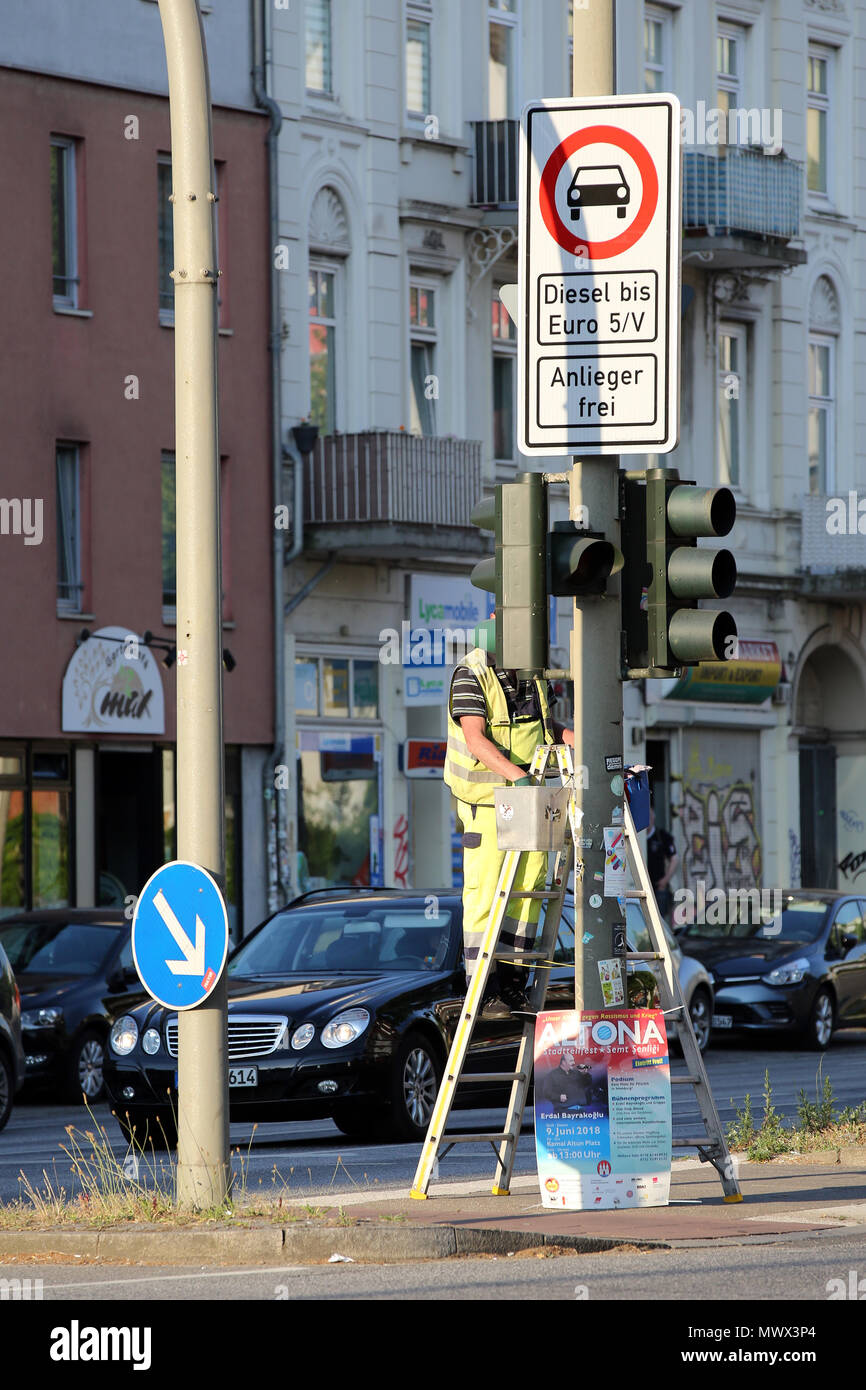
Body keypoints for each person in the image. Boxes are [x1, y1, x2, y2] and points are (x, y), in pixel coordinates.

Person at [444, 618, 574, 1016]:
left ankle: (515, 978)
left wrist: (582, 743)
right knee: (485, 891)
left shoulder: (533, 677)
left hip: (528, 799)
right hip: (485, 804)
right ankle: (482, 983)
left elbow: (547, 730)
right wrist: (518, 777)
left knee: (531, 884)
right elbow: (474, 738)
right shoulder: (471, 673)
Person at [647, 797, 678, 923]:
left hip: (658, 887)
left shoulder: (662, 836)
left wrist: (665, 880)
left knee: (659, 921)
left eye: (650, 816)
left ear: (653, 816)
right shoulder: (636, 837)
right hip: (640, 886)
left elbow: (674, 859)